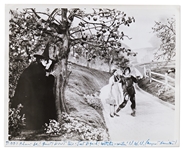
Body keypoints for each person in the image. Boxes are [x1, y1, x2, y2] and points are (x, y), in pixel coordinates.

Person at [10, 42, 57, 130]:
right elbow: (44, 87)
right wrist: (50, 77)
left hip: (27, 96)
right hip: (30, 98)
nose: (48, 64)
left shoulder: (33, 67)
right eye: (47, 61)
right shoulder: (39, 70)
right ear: (41, 60)